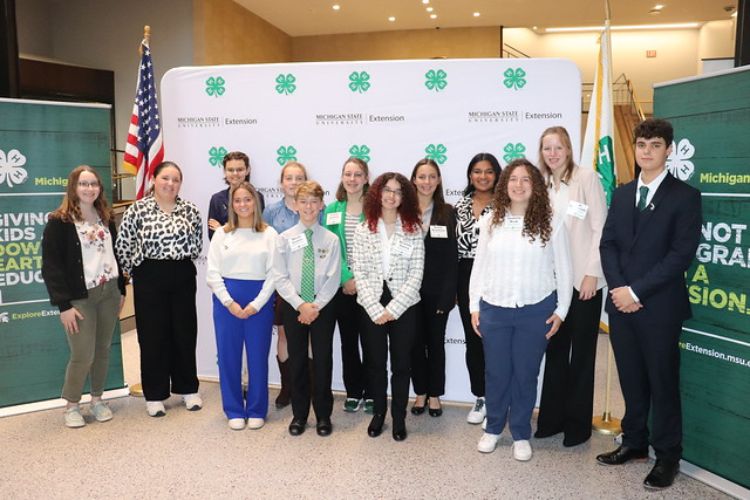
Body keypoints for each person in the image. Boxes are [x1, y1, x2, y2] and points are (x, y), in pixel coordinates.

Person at [597, 119, 702, 490]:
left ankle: (668, 456)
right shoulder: (623, 193)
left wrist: (635, 292)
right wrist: (619, 289)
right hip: (621, 304)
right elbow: (607, 244)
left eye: (655, 145)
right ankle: (635, 442)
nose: (647, 151)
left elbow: (680, 256)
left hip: (658, 307)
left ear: (668, 150)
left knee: (662, 382)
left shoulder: (685, 196)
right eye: (641, 144)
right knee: (631, 379)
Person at [470, 159, 572, 461]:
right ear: (505, 185)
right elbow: (479, 266)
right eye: (513, 179)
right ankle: (493, 429)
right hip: (495, 308)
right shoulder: (491, 221)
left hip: (536, 308)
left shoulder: (552, 222)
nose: (518, 185)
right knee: (497, 373)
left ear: (535, 185)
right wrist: (474, 304)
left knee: (526, 374)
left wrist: (563, 309)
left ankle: (521, 433)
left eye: (525, 179)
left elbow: (564, 269)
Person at [534, 126, 608, 447]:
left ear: (568, 149)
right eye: (547, 148)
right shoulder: (542, 185)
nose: (553, 154)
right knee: (555, 351)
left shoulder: (586, 179)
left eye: (558, 147)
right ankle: (551, 420)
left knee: (582, 354)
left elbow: (601, 228)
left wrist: (593, 273)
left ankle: (577, 427)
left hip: (583, 282)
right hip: (552, 284)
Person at [115, 161, 203, 417]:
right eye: (165, 178)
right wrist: (135, 272)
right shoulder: (138, 209)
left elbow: (196, 244)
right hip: (150, 276)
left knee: (184, 333)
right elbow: (123, 245)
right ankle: (155, 394)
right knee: (153, 335)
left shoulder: (190, 210)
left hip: (183, 274)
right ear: (154, 179)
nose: (170, 183)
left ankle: (188, 388)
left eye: (176, 179)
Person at [41, 165, 126, 428]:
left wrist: (121, 288)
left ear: (100, 188)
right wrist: (63, 305)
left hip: (109, 292)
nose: (89, 188)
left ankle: (98, 399)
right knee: (82, 354)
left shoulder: (105, 216)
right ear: (73, 187)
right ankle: (72, 404)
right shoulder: (60, 221)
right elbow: (51, 267)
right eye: (83, 183)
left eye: (94, 184)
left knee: (102, 350)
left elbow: (115, 255)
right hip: (80, 298)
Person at [352, 173, 424, 442]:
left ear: (404, 197)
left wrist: (393, 309)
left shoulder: (413, 229)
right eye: (387, 190)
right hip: (370, 303)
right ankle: (379, 413)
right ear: (377, 194)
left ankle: (399, 417)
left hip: (404, 305)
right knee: (375, 364)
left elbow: (417, 274)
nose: (391, 196)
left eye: (398, 191)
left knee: (402, 365)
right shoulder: (363, 228)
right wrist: (374, 307)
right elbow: (359, 271)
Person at [272, 181, 341, 437]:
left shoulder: (331, 239)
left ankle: (323, 415)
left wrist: (315, 306)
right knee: (298, 360)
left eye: (314, 202)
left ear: (321, 205)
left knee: (323, 361)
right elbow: (280, 276)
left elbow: (333, 278)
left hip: (322, 307)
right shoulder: (285, 238)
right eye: (304, 202)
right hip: (294, 306)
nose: (309, 207)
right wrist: (301, 304)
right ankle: (300, 415)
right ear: (296, 205)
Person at [206, 182, 277, 430]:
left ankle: (257, 408)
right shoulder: (222, 234)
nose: (243, 205)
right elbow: (212, 273)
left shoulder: (269, 234)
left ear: (256, 203)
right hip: (227, 304)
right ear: (231, 205)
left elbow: (274, 274)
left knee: (258, 357)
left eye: (248, 200)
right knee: (229, 357)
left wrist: (257, 304)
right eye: (238, 200)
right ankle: (234, 409)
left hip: (260, 304)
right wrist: (229, 302)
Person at [323, 157, 373, 414]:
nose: (352, 179)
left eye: (357, 174)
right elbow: (328, 249)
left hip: (371, 286)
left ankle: (374, 392)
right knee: (349, 342)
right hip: (342, 289)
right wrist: (345, 278)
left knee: (372, 341)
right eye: (347, 174)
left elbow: (378, 248)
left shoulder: (375, 209)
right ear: (342, 177)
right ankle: (353, 391)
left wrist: (361, 280)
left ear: (366, 178)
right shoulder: (332, 209)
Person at [455, 152, 501, 425]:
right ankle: (481, 397)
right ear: (470, 175)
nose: (482, 176)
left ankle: (497, 400)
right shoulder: (458, 205)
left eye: (488, 171)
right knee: (473, 340)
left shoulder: (507, 205)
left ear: (497, 174)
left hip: (495, 276)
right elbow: (452, 250)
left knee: (495, 342)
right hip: (465, 276)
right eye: (477, 171)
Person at [409, 159, 457, 418]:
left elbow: (452, 258)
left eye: (431, 177)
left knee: (436, 344)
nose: (426, 182)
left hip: (437, 292)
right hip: (409, 292)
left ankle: (435, 393)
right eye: (421, 177)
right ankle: (420, 392)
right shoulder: (404, 211)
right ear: (413, 180)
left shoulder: (447, 212)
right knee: (416, 344)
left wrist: (448, 295)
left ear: (438, 181)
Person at [262, 161, 310, 409]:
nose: (294, 183)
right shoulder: (271, 212)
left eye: (299, 178)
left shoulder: (314, 208)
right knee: (283, 334)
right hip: (280, 284)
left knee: (308, 336)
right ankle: (287, 386)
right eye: (289, 178)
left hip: (309, 281)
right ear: (281, 183)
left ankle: (307, 385)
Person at [207, 151, 266, 240]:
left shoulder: (257, 197)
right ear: (224, 171)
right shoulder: (217, 199)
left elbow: (258, 229)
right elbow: (213, 236)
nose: (235, 173)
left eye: (239, 169)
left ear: (247, 170)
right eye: (230, 170)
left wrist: (221, 229)